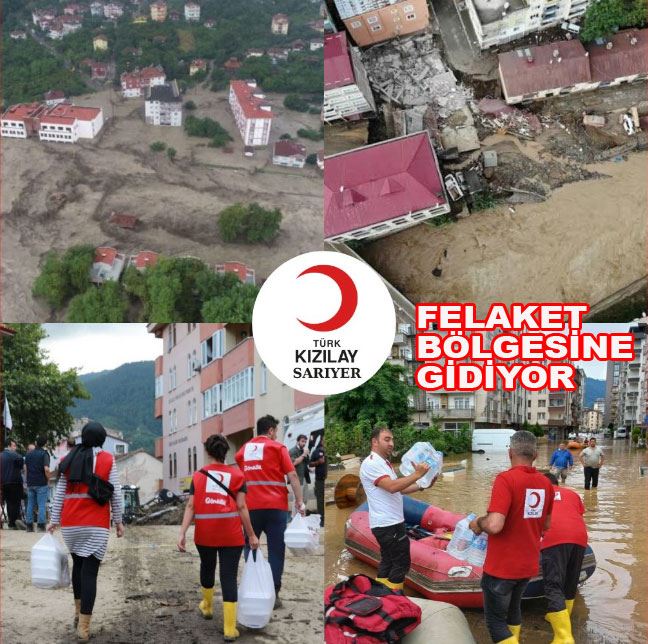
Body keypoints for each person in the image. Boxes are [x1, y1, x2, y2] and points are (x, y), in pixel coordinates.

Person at [469, 430, 554, 644]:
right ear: (535, 454)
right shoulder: (546, 484)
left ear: (510, 453)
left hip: (502, 568)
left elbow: (495, 525)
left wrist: (478, 523)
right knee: (514, 610)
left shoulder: (505, 479)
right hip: (527, 566)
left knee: (495, 621)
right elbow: (546, 525)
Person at [178, 435, 259, 642]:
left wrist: (182, 533)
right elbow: (241, 507)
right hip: (231, 534)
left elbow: (191, 506)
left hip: (204, 533)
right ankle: (229, 629)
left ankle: (207, 607)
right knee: (228, 576)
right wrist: (251, 534)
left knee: (207, 567)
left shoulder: (198, 476)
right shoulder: (238, 475)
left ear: (208, 452)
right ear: (226, 453)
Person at [47, 422, 124, 642]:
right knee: (90, 572)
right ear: (101, 440)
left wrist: (54, 520)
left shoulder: (68, 460)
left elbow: (60, 492)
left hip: (71, 524)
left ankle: (76, 613)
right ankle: (84, 627)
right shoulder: (108, 460)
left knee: (78, 566)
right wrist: (118, 521)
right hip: (96, 524)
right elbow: (115, 493)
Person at [235, 415, 305, 607]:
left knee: (250, 545)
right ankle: (274, 593)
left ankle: (256, 586)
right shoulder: (278, 448)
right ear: (271, 430)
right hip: (276, 507)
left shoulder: (243, 451)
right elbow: (292, 475)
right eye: (276, 432)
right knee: (276, 550)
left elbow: (241, 470)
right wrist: (299, 501)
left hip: (251, 508)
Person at [359, 426, 432, 591]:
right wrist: (417, 474)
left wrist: (422, 485)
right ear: (374, 442)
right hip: (387, 524)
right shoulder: (371, 463)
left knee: (388, 561)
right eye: (387, 439)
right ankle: (393, 598)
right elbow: (392, 486)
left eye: (392, 439)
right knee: (401, 563)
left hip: (390, 523)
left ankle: (380, 595)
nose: (391, 443)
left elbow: (400, 489)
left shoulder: (384, 463)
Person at [540, 473, 588, 644]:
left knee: (553, 584)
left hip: (554, 538)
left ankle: (563, 638)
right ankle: (562, 615)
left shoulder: (539, 496)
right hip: (580, 537)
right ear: (557, 482)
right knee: (570, 580)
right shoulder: (572, 494)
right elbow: (577, 515)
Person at [24, 435, 51, 532]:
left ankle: (29, 526)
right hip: (41, 483)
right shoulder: (45, 454)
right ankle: (40, 526)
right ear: (45, 443)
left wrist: (27, 481)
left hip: (31, 482)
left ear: (36, 443)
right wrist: (49, 479)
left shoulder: (29, 454)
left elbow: (26, 469)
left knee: (30, 504)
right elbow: (46, 469)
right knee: (41, 504)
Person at [1, 440, 25, 529]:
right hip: (15, 482)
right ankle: (15, 522)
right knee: (16, 503)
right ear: (9, 446)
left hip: (4, 483)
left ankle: (11, 523)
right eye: (14, 446)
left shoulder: (1, 455)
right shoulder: (16, 455)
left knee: (9, 502)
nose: (15, 448)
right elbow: (21, 465)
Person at [309, 436, 327, 527]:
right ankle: (322, 521)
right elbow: (310, 464)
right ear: (321, 441)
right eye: (325, 440)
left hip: (328, 480)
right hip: (320, 481)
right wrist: (318, 462)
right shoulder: (317, 451)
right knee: (320, 501)